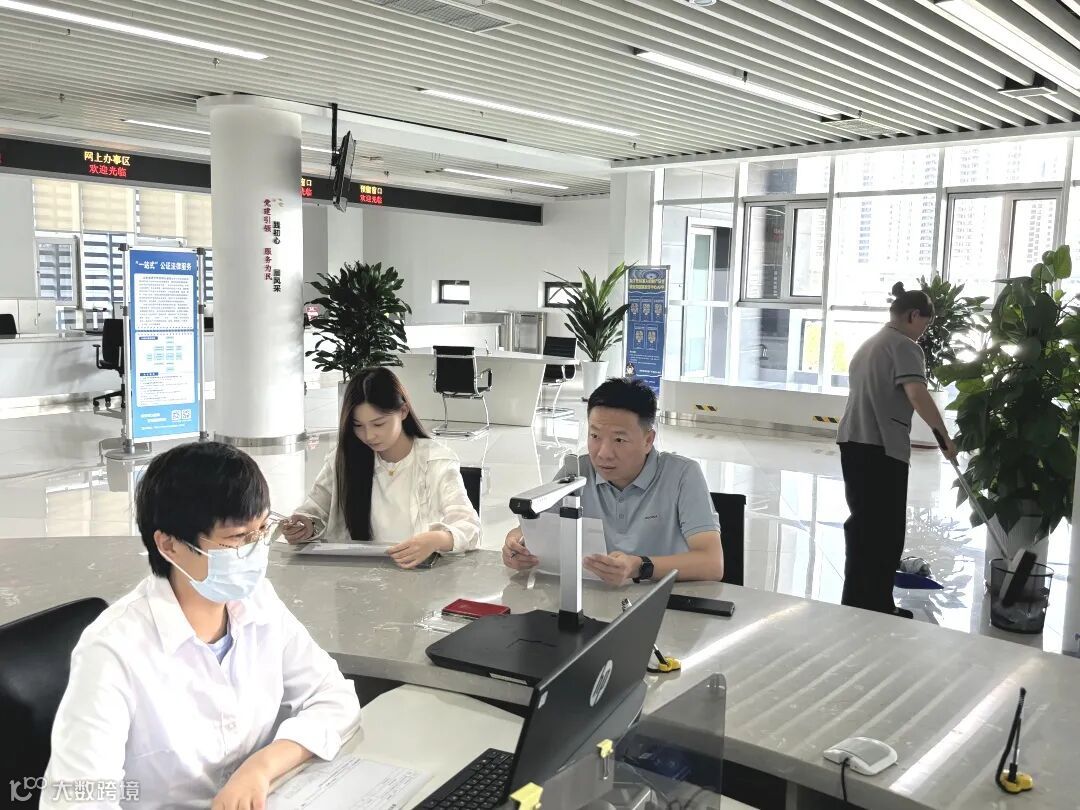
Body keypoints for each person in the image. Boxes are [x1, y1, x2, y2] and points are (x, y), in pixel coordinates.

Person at [42, 442, 361, 810]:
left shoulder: (257, 601)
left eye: (261, 531)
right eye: (237, 538)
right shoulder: (113, 650)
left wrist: (260, 767)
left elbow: (333, 696)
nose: (255, 550)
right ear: (169, 545)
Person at [503, 377, 724, 585]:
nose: (603, 453)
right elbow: (532, 530)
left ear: (648, 440)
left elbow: (712, 563)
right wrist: (516, 544)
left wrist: (639, 566)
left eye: (619, 439)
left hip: (663, 601)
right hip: (593, 597)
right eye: (595, 436)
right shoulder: (577, 472)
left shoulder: (682, 474)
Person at [836, 282, 959, 618]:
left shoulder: (869, 345)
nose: (923, 333)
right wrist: (943, 436)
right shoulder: (905, 346)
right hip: (881, 448)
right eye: (925, 325)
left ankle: (858, 601)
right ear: (913, 315)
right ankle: (877, 606)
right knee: (886, 533)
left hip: (853, 442)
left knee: (863, 526)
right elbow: (917, 394)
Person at [282, 367, 480, 567]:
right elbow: (314, 510)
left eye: (378, 424)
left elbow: (468, 526)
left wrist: (436, 539)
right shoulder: (343, 459)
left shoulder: (436, 461)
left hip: (419, 574)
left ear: (403, 411)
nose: (369, 436)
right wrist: (305, 525)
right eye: (358, 425)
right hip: (357, 574)